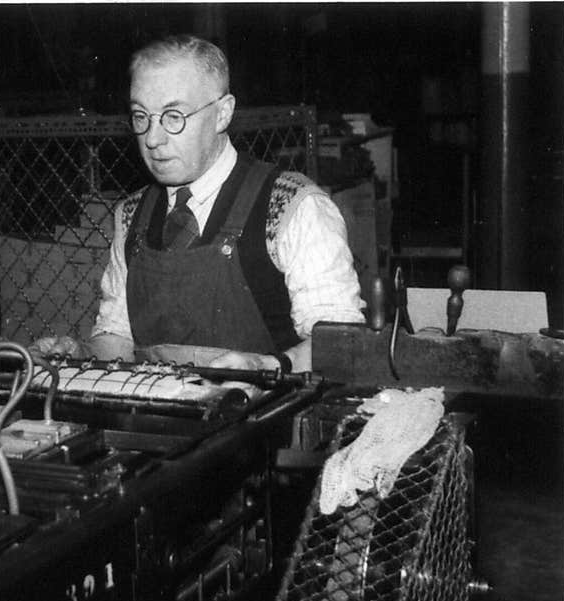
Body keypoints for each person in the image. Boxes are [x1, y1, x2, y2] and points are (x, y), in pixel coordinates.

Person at [33, 34, 364, 374]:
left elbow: (342, 343)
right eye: (140, 116)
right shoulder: (130, 215)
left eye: (173, 116)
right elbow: (118, 338)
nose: (152, 138)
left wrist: (267, 366)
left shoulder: (295, 207)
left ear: (222, 114)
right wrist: (78, 353)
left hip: (268, 422)